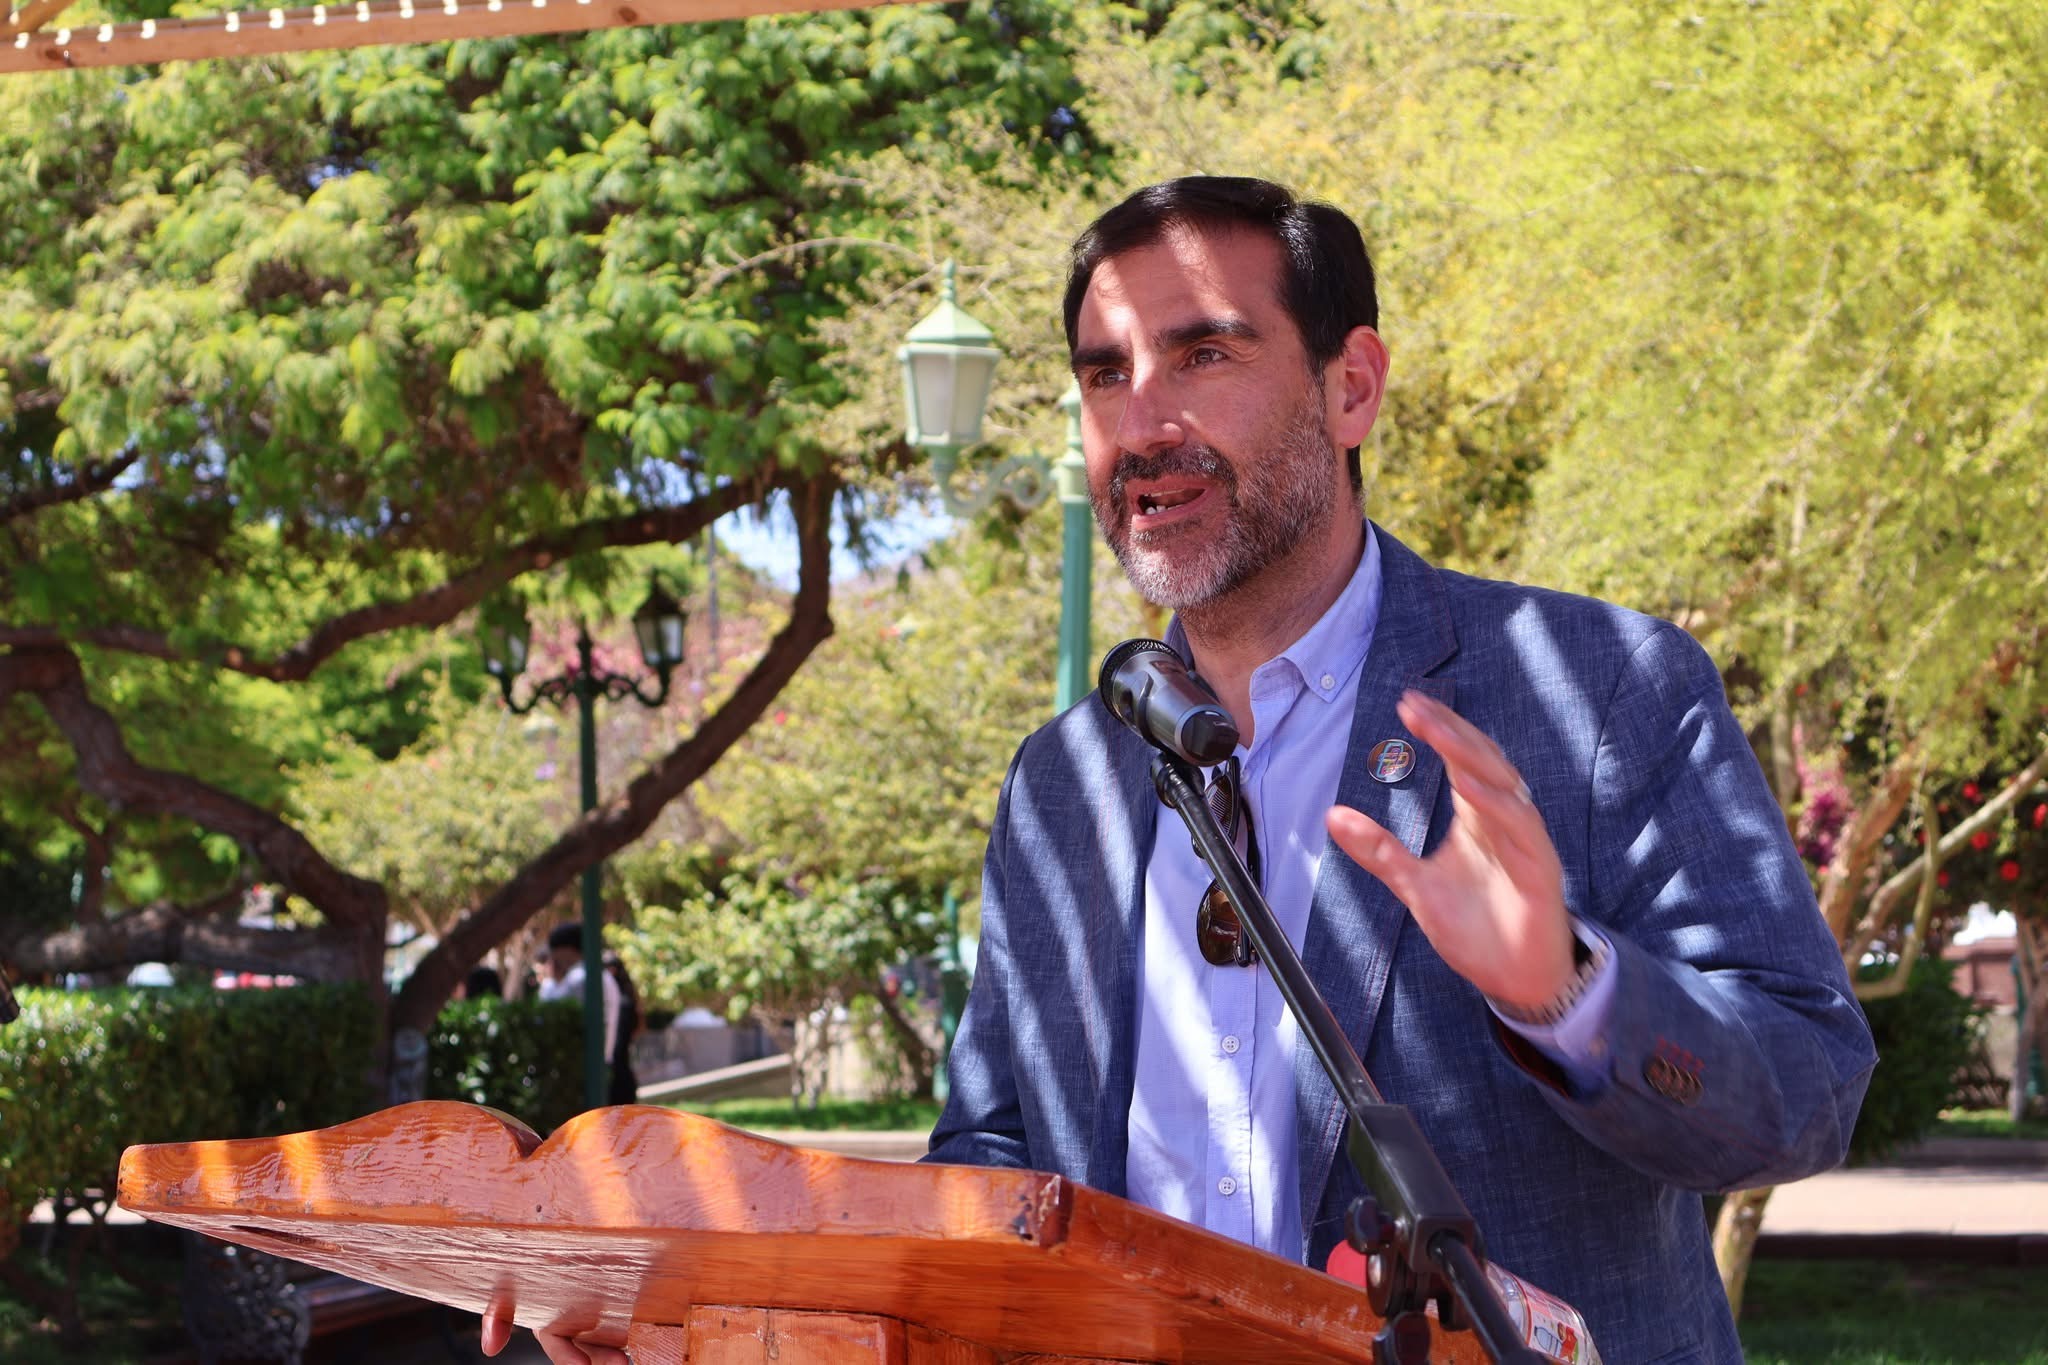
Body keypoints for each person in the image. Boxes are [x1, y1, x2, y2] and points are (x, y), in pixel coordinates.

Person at [488, 177, 1875, 1365]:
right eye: (1104, 375)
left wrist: (1567, 990)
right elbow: (991, 1176)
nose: (1142, 418)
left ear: (1352, 386)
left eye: (1203, 354)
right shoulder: (1063, 784)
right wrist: (713, 1314)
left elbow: (1808, 1088)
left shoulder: (1597, 692)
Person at [536, 921, 622, 1075]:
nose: (553, 957)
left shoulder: (579, 978)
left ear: (567, 950)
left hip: (582, 1071)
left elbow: (547, 1015)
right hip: (601, 1066)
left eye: (555, 950)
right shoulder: (603, 976)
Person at [604, 951, 643, 1107]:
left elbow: (619, 1042)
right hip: (622, 1073)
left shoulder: (623, 1003)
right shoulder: (627, 999)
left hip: (618, 1075)